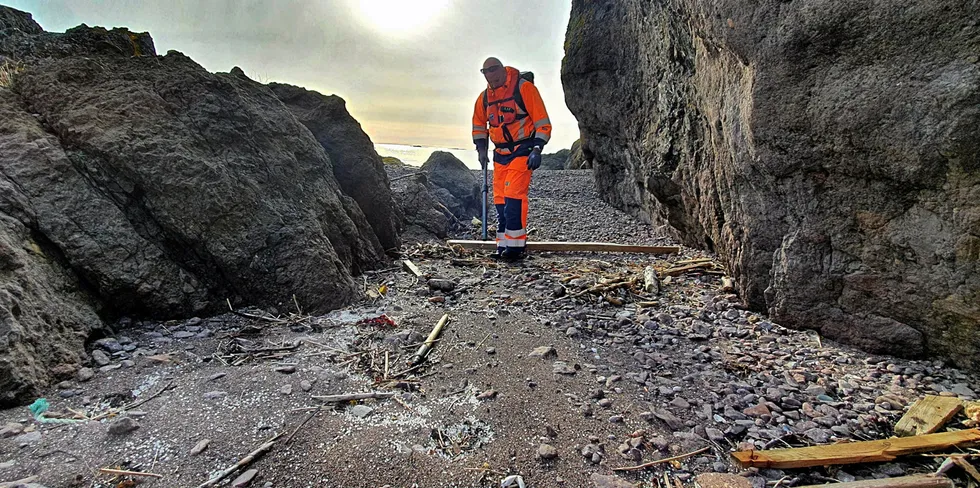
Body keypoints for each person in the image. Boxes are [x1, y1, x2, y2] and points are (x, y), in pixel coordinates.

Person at [471, 57, 552, 260]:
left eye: (494, 71)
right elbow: (479, 125)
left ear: (502, 70)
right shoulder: (484, 99)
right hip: (500, 154)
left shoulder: (524, 89)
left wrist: (537, 149)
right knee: (500, 199)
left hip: (522, 149)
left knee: (514, 196)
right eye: (486, 73)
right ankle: (503, 246)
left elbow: (543, 123)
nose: (491, 77)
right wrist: (481, 150)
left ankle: (515, 249)